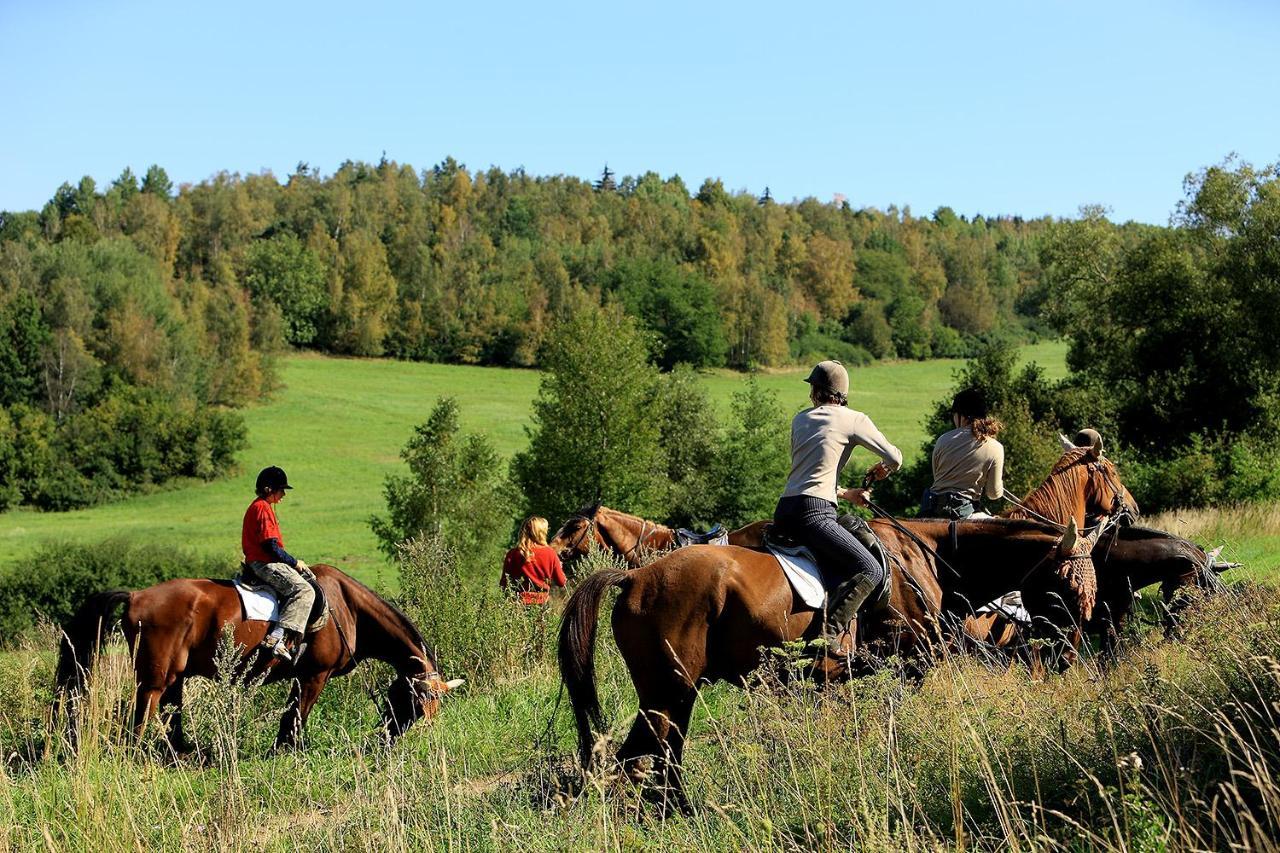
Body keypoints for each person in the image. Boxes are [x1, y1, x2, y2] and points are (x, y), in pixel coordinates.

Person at [773, 360, 903, 660]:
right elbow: (895, 458)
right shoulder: (853, 419)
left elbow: (812, 475)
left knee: (853, 523)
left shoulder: (800, 419)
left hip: (786, 509)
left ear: (816, 392)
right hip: (816, 514)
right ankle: (828, 635)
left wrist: (847, 494)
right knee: (869, 568)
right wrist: (882, 469)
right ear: (842, 393)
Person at [242, 466, 315, 661]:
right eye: (281, 489)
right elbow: (271, 547)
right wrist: (294, 562)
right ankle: (278, 638)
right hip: (265, 563)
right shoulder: (263, 508)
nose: (283, 494)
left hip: (259, 561)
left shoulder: (258, 506)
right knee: (305, 590)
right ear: (268, 489)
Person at [920, 389, 1005, 519]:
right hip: (964, 512)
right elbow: (993, 494)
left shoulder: (942, 440)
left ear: (961, 416)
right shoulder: (996, 447)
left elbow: (937, 476)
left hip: (931, 509)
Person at [501, 516, 567, 605]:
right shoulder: (550, 553)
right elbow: (561, 582)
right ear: (542, 533)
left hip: (518, 604)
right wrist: (559, 567)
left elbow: (504, 584)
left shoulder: (513, 554)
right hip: (542, 604)